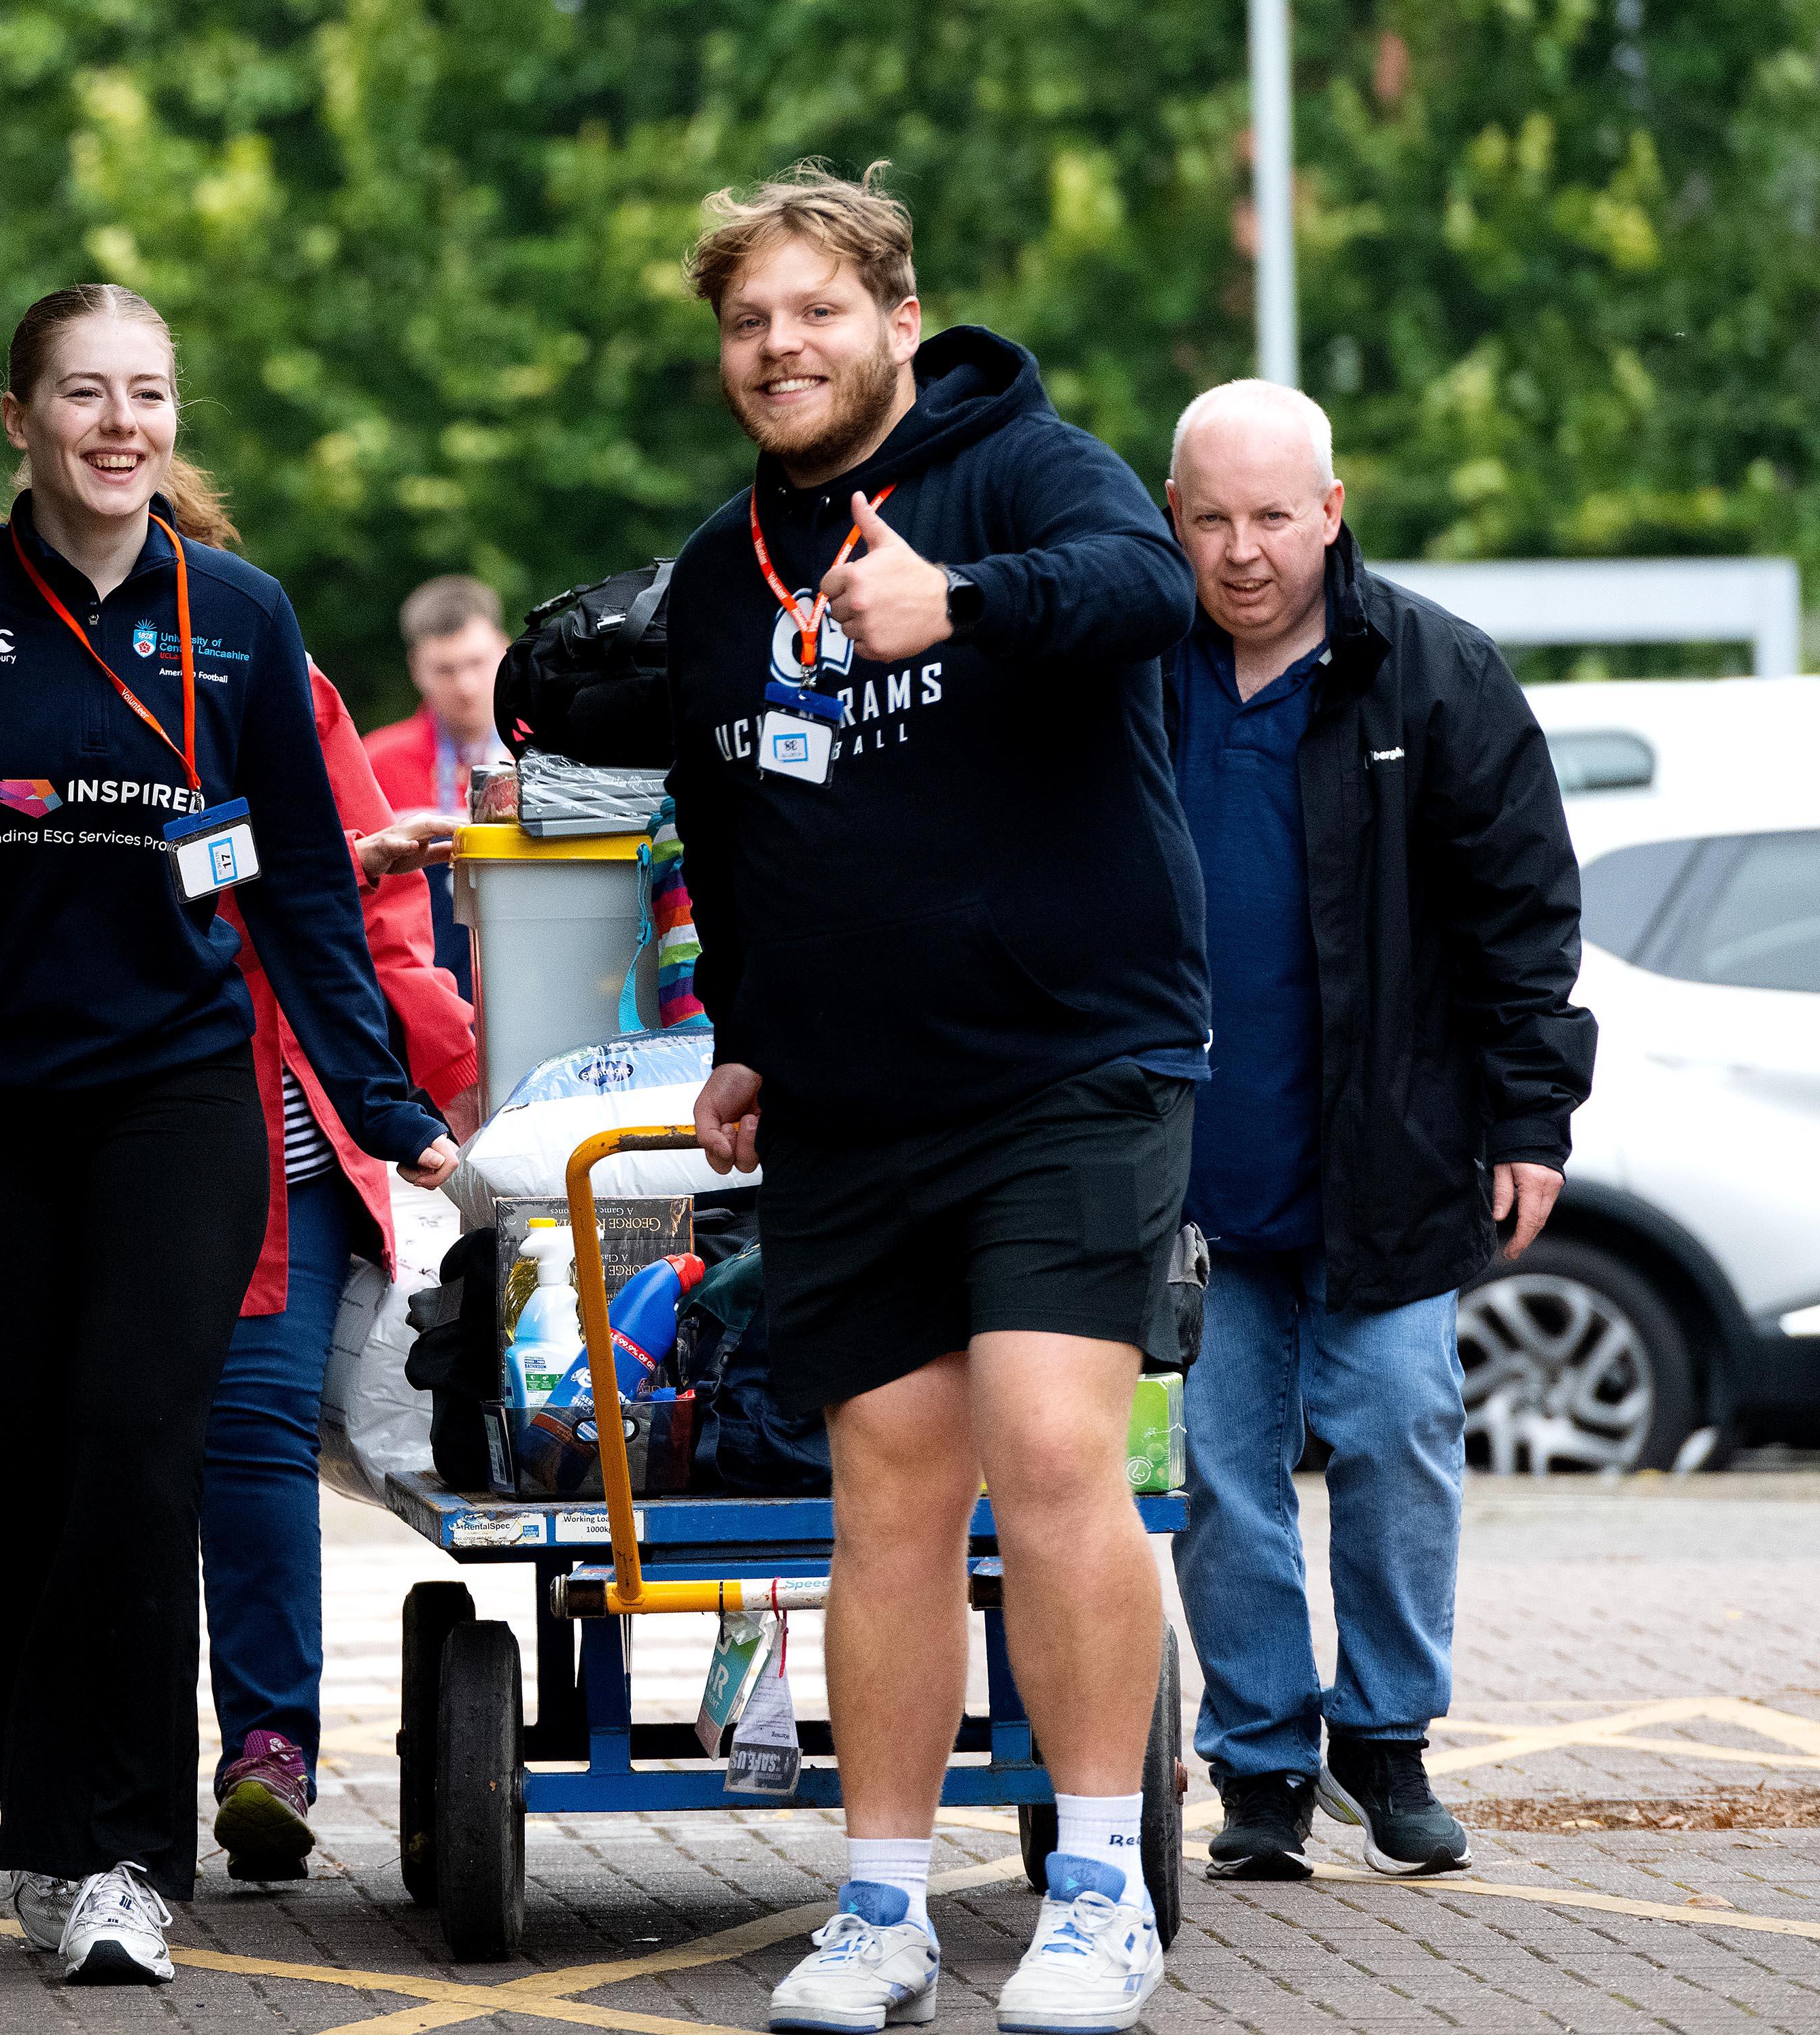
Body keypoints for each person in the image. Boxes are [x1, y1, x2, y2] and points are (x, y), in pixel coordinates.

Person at [0, 284, 458, 1987]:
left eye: (148, 393)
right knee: (7, 1485)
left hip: (178, 1100)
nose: (119, 425)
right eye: (82, 393)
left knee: (132, 1447)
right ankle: (34, 1761)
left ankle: (119, 1853)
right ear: (17, 418)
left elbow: (307, 889)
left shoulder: (237, 614)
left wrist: (388, 1107)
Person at [667, 165, 1208, 2035]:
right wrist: (743, 1027)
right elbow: (732, 826)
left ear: (896, 319)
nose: (778, 347)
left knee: (1052, 1455)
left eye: (815, 310)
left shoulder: (1025, 469)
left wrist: (956, 600)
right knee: (886, 1494)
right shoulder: (714, 574)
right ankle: (882, 1907)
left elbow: (1150, 590)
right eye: (747, 321)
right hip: (851, 1097)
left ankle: (1095, 1891)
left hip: (1072, 1062)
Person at [1159, 381, 1595, 1881]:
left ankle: (1389, 1736)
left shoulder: (1436, 673)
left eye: (1274, 514)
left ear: (1332, 510)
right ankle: (1263, 1767)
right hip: (1189, 1177)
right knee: (1221, 1479)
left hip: (1391, 1150)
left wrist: (1532, 1116)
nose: (1244, 549)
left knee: (1402, 1430)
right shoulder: (1138, 673)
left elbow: (1526, 917)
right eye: (1211, 516)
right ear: (1174, 519)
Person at [203, 656, 478, 1883]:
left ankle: (269, 1747)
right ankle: (101, 1774)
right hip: (112, 1115)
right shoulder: (45, 682)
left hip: (287, 1135)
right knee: (111, 1451)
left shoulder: (270, 672)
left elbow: (385, 931)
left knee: (257, 1427)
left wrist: (439, 1054)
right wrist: (322, 862)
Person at [362, 575, 508, 997]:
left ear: (505, 648)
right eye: (445, 669)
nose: (466, 687)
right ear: (416, 668)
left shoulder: (547, 758)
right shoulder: (375, 763)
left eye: (477, 663)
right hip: (421, 996)